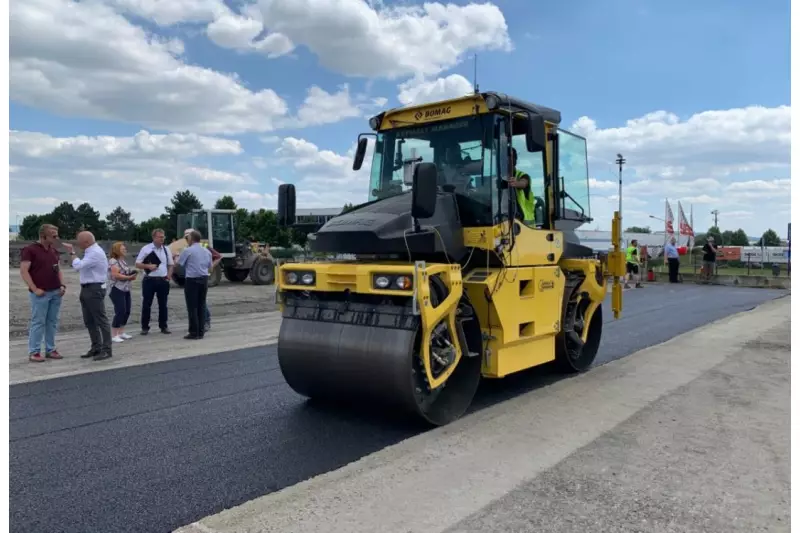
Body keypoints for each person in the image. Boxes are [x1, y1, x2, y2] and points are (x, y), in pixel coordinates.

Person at [19, 223, 66, 362]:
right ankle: (34, 351)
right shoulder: (30, 250)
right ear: (43, 235)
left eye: (56, 234)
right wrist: (34, 289)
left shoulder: (53, 251)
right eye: (53, 234)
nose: (56, 237)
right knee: (38, 322)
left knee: (52, 321)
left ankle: (50, 349)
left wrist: (62, 285)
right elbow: (24, 271)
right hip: (41, 293)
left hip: (56, 292)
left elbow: (58, 269)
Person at [63, 231, 112, 361]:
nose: (77, 243)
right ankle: (96, 347)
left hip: (94, 289)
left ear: (86, 242)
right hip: (88, 288)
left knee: (101, 320)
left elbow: (78, 266)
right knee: (89, 320)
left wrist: (72, 253)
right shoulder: (90, 251)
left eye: (78, 241)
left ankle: (106, 349)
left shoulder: (95, 252)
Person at [136, 228, 174, 335]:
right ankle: (145, 327)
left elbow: (171, 264)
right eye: (160, 237)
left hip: (163, 280)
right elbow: (137, 264)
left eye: (163, 237)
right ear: (154, 237)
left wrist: (168, 277)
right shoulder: (146, 249)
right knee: (147, 304)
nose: (162, 239)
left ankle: (163, 326)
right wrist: (148, 266)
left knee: (163, 305)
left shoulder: (166, 249)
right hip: (149, 280)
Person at [177, 230, 212, 339]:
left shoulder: (187, 251)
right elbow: (209, 266)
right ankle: (201, 331)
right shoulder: (207, 251)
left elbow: (180, 263)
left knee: (192, 307)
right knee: (201, 305)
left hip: (192, 280)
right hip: (204, 279)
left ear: (191, 239)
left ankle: (193, 332)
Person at [108, 241, 138, 343]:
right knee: (120, 311)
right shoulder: (113, 261)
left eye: (125, 248)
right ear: (117, 250)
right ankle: (114, 334)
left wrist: (131, 276)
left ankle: (121, 332)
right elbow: (115, 275)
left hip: (126, 289)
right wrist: (128, 277)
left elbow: (124, 274)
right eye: (122, 249)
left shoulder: (123, 261)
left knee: (127, 311)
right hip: (117, 289)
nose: (125, 250)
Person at [507, 148, 536, 225]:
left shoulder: (523, 176)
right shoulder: (496, 179)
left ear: (515, 160)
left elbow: (523, 183)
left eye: (509, 157)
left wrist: (516, 183)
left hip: (526, 227)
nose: (507, 160)